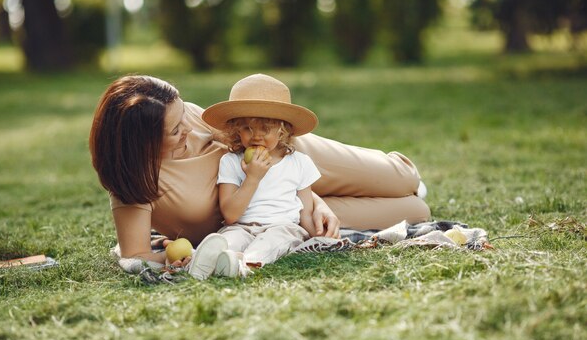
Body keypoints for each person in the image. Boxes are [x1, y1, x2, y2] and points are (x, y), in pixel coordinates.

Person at [89, 74, 430, 274]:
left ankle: (394, 173)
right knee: (416, 212)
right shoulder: (134, 186)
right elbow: (135, 256)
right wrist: (186, 255)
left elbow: (245, 133)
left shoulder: (188, 117)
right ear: (141, 144)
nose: (192, 132)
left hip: (290, 158)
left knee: (403, 179)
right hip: (279, 214)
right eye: (176, 131)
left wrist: (316, 199)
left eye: (184, 118)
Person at [191, 74, 323, 278]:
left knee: (271, 242)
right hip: (241, 227)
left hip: (283, 227)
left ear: (282, 130)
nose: (256, 135)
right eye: (247, 128)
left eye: (265, 128)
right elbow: (231, 215)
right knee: (228, 240)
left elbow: (306, 212)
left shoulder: (299, 163)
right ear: (236, 130)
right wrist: (252, 177)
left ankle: (245, 265)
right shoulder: (231, 161)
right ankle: (214, 260)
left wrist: (320, 237)